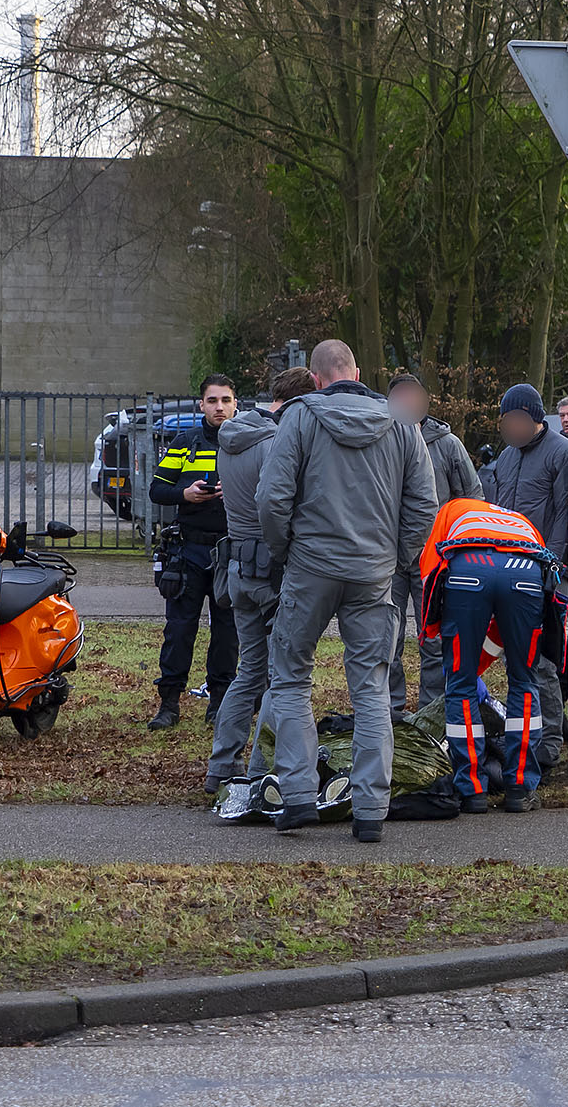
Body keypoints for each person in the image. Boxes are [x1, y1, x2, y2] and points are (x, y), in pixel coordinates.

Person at [259, 339, 436, 842]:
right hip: (375, 575)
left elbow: (272, 499)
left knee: (291, 678)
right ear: (356, 371)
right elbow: (424, 503)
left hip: (310, 568)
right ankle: (370, 811)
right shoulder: (402, 422)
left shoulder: (300, 417)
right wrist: (397, 558)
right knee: (372, 688)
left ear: (315, 378)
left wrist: (285, 550)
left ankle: (296, 799)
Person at [203, 366, 317, 793]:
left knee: (248, 671)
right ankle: (258, 770)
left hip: (237, 568)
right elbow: (275, 507)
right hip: (270, 569)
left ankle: (220, 767)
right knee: (280, 674)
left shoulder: (230, 438)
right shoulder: (274, 442)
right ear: (297, 404)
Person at [418, 497, 554, 812]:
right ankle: (519, 788)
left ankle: (472, 790)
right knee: (524, 679)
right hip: (525, 572)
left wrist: (439, 636)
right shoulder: (521, 521)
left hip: (467, 568)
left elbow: (431, 571)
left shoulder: (451, 510)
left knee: (460, 686)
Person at [480, 383, 568, 760]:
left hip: (543, 573)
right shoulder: (506, 458)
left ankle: (550, 742)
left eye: (517, 419)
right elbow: (498, 513)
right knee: (515, 660)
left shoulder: (563, 454)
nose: (511, 427)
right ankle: (524, 734)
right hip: (505, 572)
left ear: (535, 418)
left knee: (542, 661)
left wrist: (551, 566)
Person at [385, 372, 484, 719]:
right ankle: (390, 711)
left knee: (433, 638)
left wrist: (460, 545)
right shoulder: (382, 439)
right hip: (391, 557)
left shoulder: (448, 444)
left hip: (436, 559)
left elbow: (472, 497)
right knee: (388, 635)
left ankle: (431, 712)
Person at [145, 374, 240, 731]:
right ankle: (169, 704)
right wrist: (185, 494)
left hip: (230, 550)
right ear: (201, 404)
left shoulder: (247, 442)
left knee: (227, 631)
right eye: (212, 401)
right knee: (180, 629)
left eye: (225, 400)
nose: (219, 407)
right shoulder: (185, 442)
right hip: (189, 548)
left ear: (236, 404)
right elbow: (157, 489)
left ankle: (219, 703)